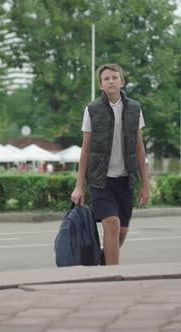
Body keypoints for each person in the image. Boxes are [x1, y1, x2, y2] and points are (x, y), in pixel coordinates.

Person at [71, 63, 150, 266]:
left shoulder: (135, 108)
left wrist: (145, 184)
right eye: (106, 78)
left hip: (126, 180)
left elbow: (139, 148)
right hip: (101, 180)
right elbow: (86, 149)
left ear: (122, 82)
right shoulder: (92, 110)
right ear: (101, 85)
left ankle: (106, 260)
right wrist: (79, 186)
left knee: (121, 231)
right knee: (112, 225)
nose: (111, 81)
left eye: (115, 77)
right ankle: (111, 277)